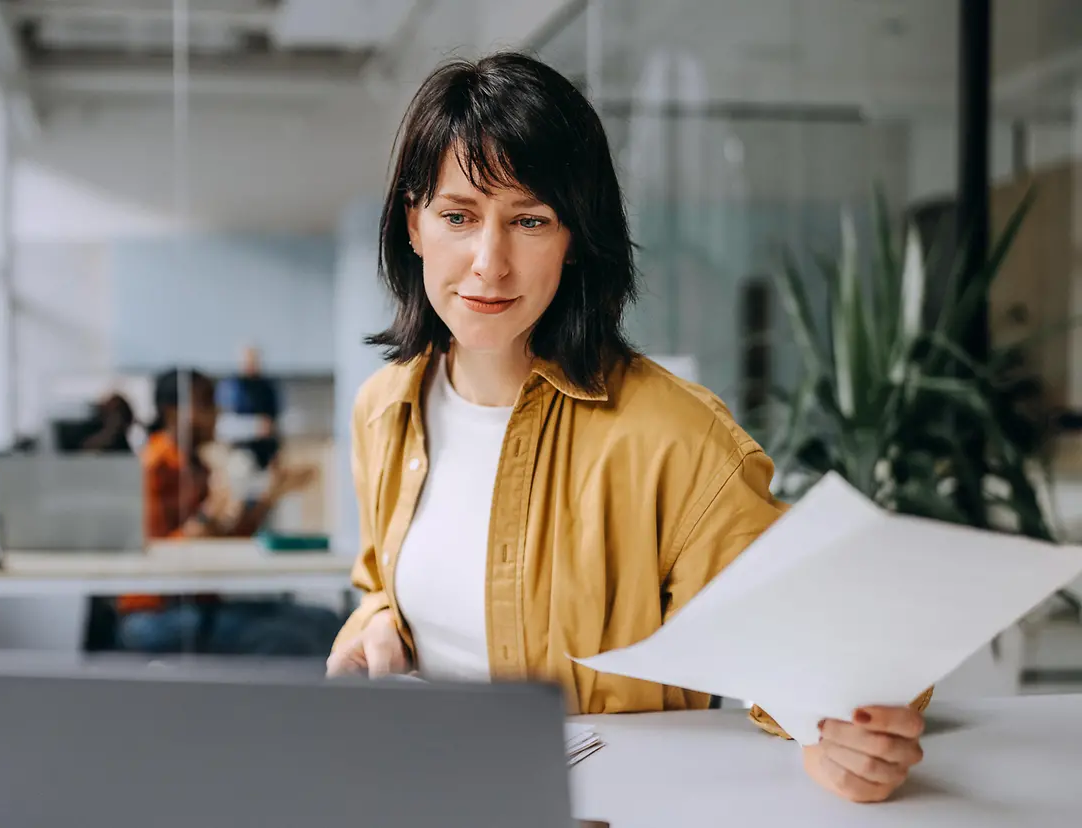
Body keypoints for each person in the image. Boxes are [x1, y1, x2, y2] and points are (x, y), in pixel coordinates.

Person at [324, 53, 927, 804]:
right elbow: (379, 582)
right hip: (423, 795)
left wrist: (852, 734)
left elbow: (824, 654)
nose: (488, 263)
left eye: (530, 221)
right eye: (458, 216)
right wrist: (376, 625)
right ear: (414, 223)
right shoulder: (384, 408)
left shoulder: (674, 437)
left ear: (575, 238)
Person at [117, 368, 339, 656]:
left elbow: (225, 539)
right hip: (154, 613)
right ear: (173, 412)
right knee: (294, 639)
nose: (217, 412)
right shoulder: (156, 465)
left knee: (325, 621)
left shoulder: (197, 466)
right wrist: (208, 515)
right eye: (206, 402)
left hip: (199, 603)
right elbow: (156, 554)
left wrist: (269, 497)